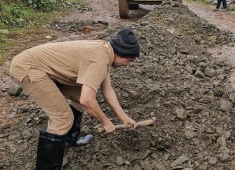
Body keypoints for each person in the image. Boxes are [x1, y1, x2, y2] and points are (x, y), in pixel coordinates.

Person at [9, 28, 140, 169]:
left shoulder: (105, 52)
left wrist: (124, 117)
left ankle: (69, 140)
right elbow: (87, 101)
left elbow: (108, 91)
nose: (128, 65)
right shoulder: (99, 60)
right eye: (129, 60)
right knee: (62, 117)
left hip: (46, 69)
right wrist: (105, 121)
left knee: (78, 96)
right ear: (121, 54)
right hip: (28, 68)